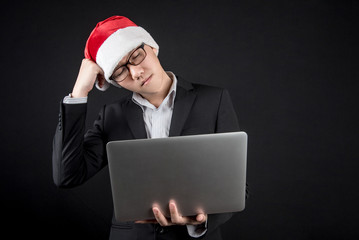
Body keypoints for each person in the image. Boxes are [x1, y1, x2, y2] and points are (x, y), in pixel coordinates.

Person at [52, 16, 242, 240]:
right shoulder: (111, 116)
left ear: (152, 46)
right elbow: (67, 176)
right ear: (113, 81)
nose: (135, 73)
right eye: (120, 71)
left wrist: (200, 220)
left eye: (136, 56)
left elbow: (237, 188)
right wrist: (78, 93)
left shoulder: (214, 100)